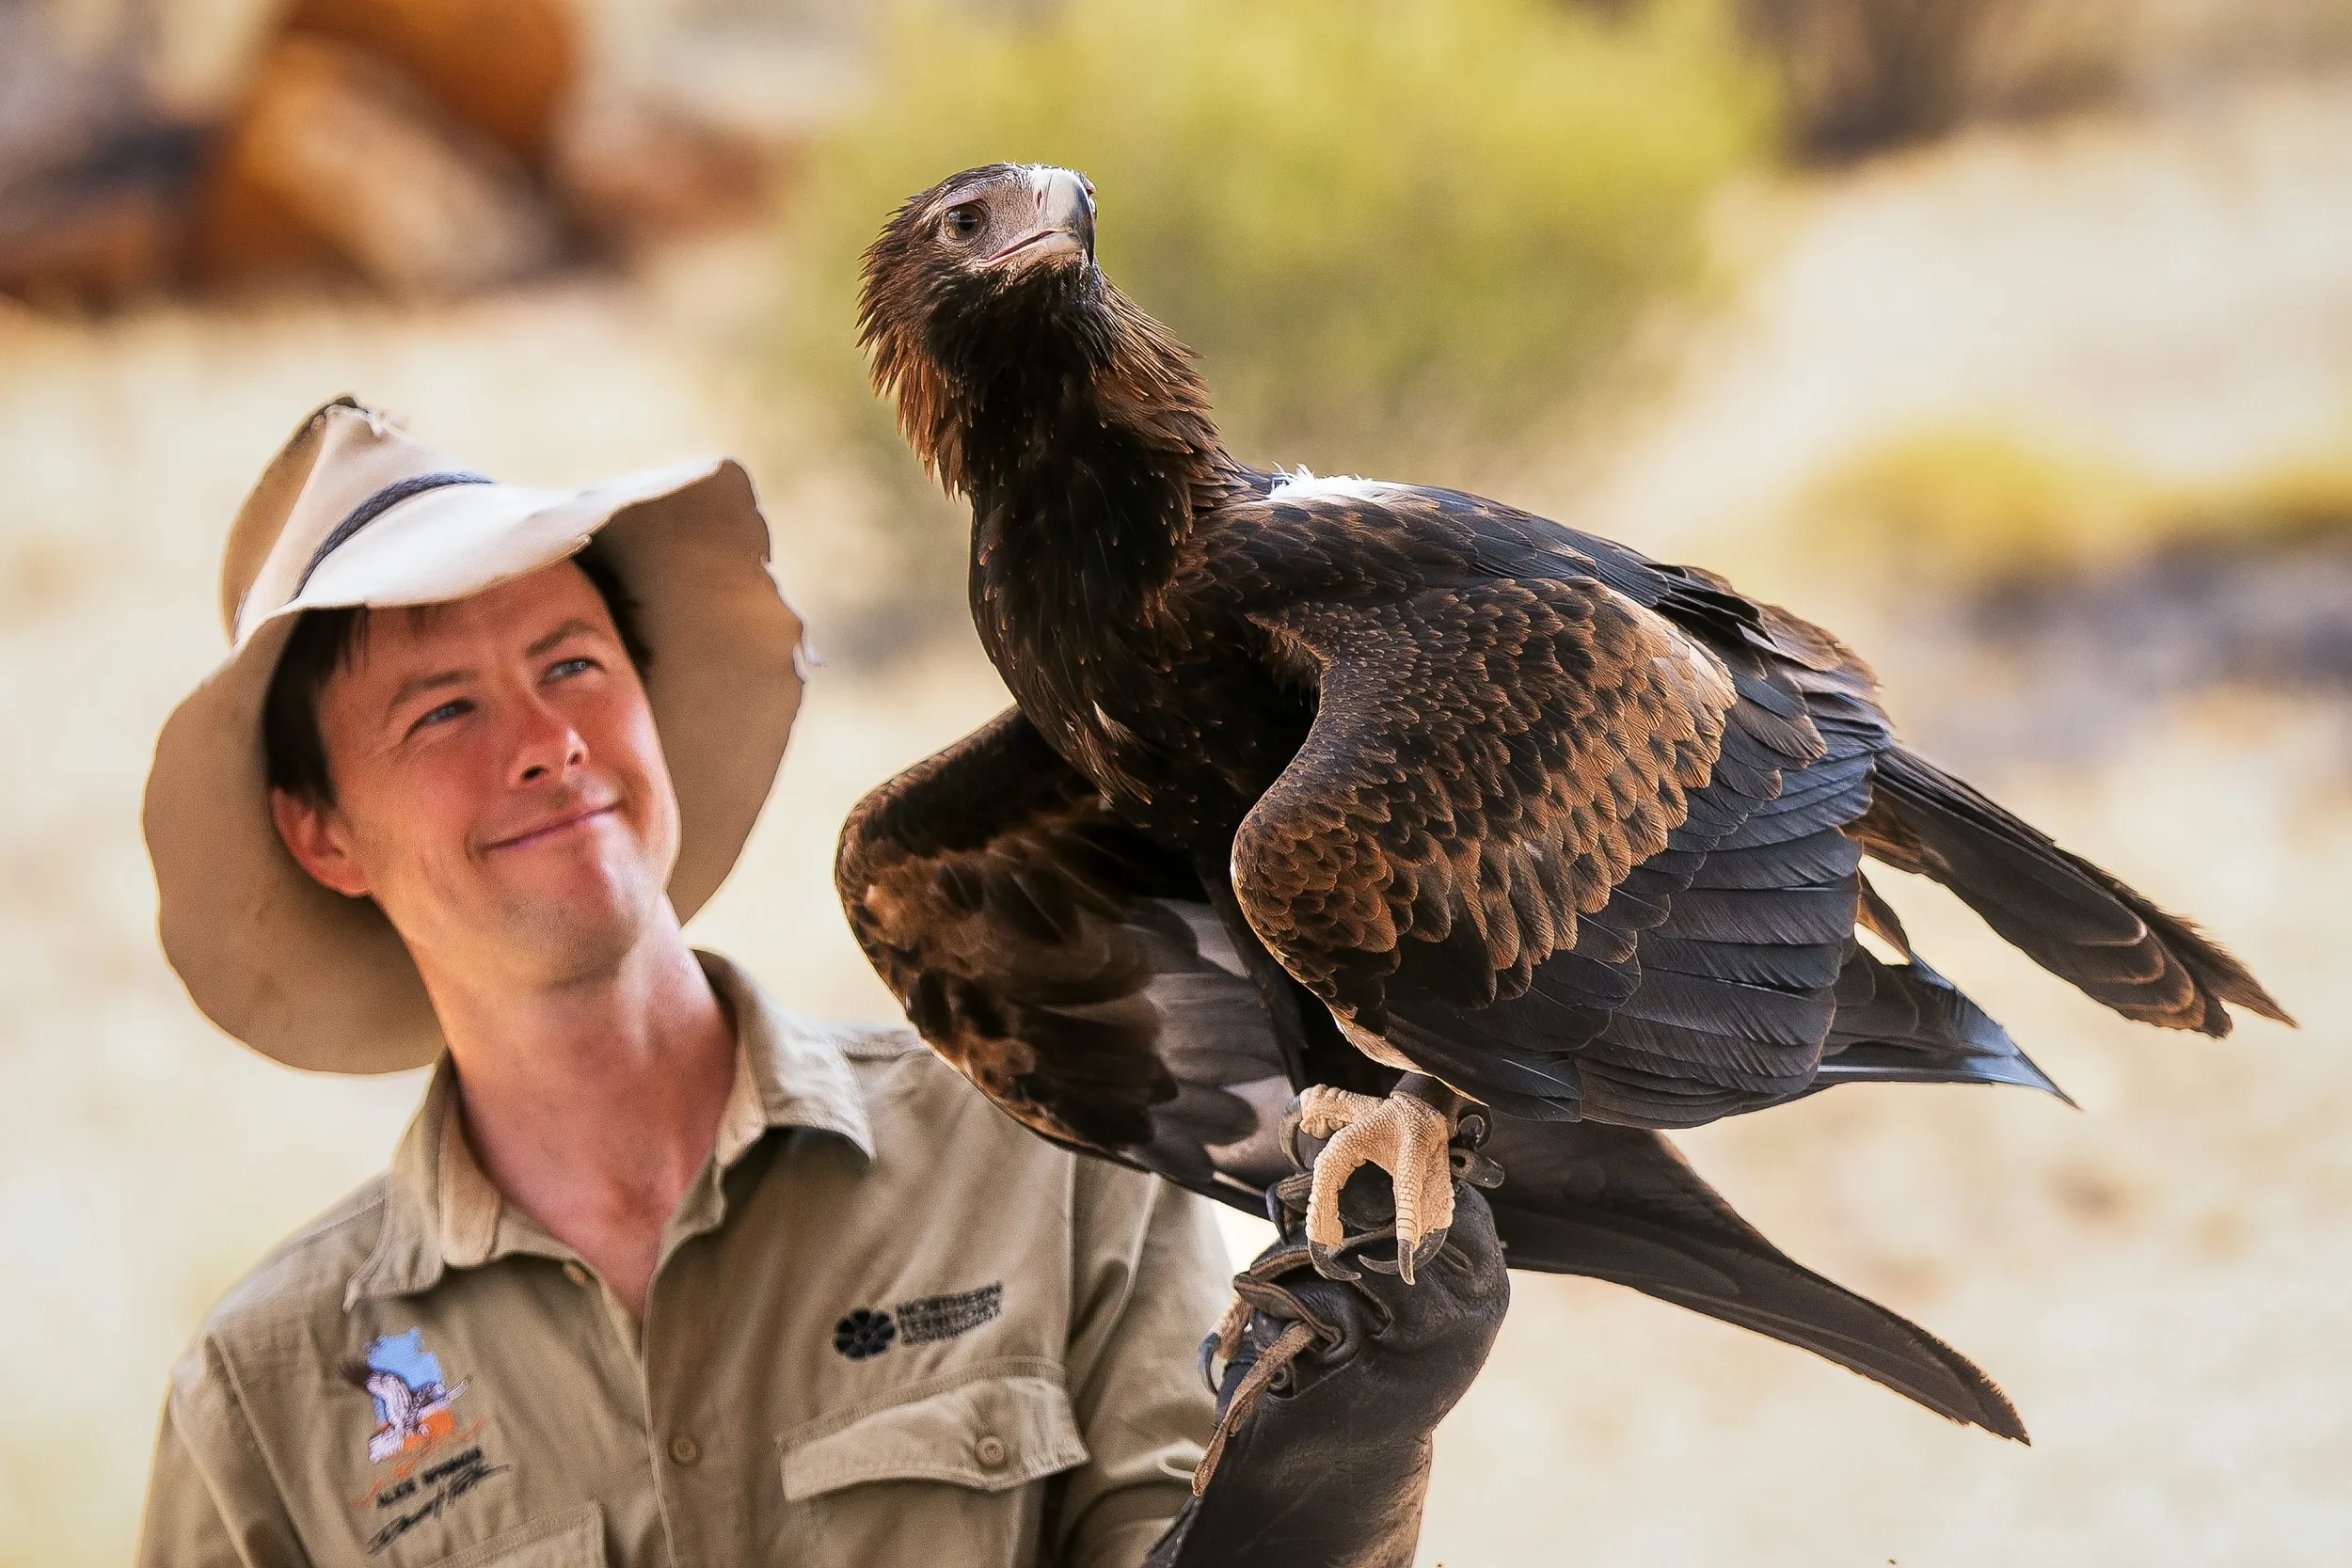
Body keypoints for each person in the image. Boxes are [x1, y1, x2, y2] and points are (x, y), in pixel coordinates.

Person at [135, 398, 1502, 1568]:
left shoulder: (1037, 1144)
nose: (549, 740)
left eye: (572, 664)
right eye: (444, 708)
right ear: (320, 832)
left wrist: (1340, 1449)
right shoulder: (266, 1404)